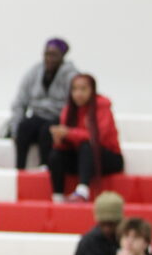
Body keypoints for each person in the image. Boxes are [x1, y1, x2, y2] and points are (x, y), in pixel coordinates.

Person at [48, 74, 124, 202]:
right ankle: (58, 196)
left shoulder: (102, 107)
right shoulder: (68, 110)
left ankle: (83, 190)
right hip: (81, 159)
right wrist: (59, 139)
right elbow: (66, 144)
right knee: (56, 155)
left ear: (92, 90)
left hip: (107, 157)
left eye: (83, 89)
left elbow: (98, 138)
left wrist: (69, 133)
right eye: (75, 89)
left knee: (87, 145)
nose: (78, 93)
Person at [9, 38, 79, 169]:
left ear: (62, 56)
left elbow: (75, 104)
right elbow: (20, 101)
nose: (49, 58)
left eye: (54, 55)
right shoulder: (34, 72)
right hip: (37, 115)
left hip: (58, 118)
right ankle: (19, 168)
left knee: (47, 131)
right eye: (47, 54)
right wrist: (15, 127)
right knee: (23, 128)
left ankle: (45, 168)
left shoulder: (71, 76)